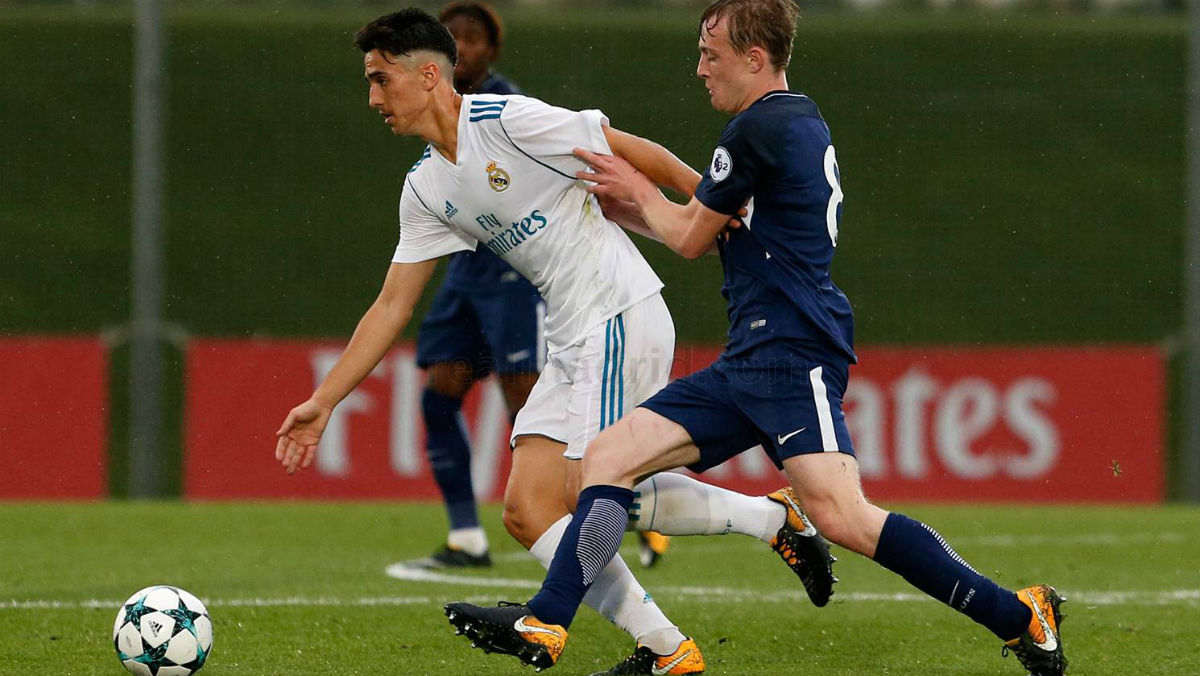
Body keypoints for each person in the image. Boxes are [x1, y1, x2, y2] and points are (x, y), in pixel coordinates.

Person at [442, 2, 1069, 676]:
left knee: (845, 517)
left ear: (755, 57)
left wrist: (635, 190)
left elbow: (688, 238)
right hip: (752, 355)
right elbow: (726, 235)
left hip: (792, 353)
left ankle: (1019, 614)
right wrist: (637, 208)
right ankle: (551, 623)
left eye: (712, 54)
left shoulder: (755, 129)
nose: (700, 67)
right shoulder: (793, 119)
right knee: (609, 456)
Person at [273, 9, 836, 676]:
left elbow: (626, 149)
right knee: (528, 509)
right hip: (571, 336)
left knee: (590, 484)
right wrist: (325, 400)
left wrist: (715, 205)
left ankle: (598, 618)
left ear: (428, 75)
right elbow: (393, 305)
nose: (372, 98)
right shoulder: (425, 188)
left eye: (380, 79)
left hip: (620, 311)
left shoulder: (506, 121)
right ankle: (679, 640)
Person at [407, 1, 537, 569]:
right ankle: (466, 536)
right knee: (439, 400)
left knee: (530, 417)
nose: (462, 47)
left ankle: (603, 514)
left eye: (473, 38)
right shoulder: (434, 108)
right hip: (467, 275)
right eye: (450, 37)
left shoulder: (508, 109)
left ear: (493, 50)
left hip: (512, 278)